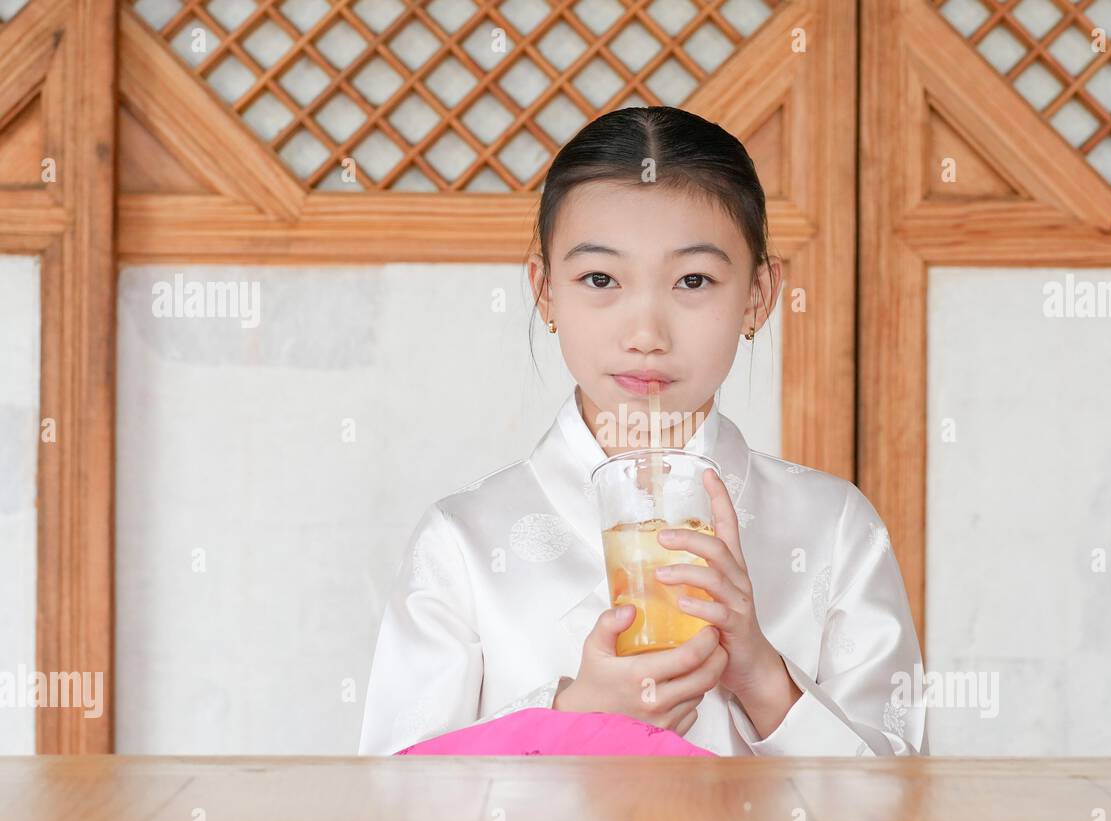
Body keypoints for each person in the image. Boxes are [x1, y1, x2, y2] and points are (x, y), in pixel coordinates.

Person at [358, 106, 928, 757]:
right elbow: (396, 806)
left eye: (694, 281)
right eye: (600, 279)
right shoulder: (461, 540)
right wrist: (576, 715)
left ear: (758, 297)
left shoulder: (833, 526)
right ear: (545, 291)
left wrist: (762, 677)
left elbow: (898, 813)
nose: (646, 335)